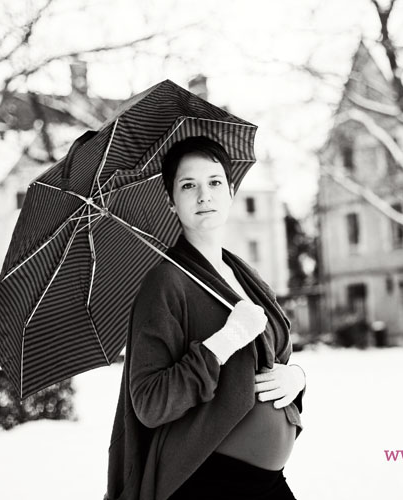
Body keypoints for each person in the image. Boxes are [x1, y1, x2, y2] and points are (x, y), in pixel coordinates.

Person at [105, 136, 306, 500]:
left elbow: (273, 359)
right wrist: (224, 342)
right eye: (188, 186)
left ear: (231, 191)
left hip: (267, 484)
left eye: (214, 182)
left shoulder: (244, 276)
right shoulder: (165, 282)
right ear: (171, 202)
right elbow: (150, 402)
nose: (204, 196)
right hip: (206, 481)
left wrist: (296, 378)